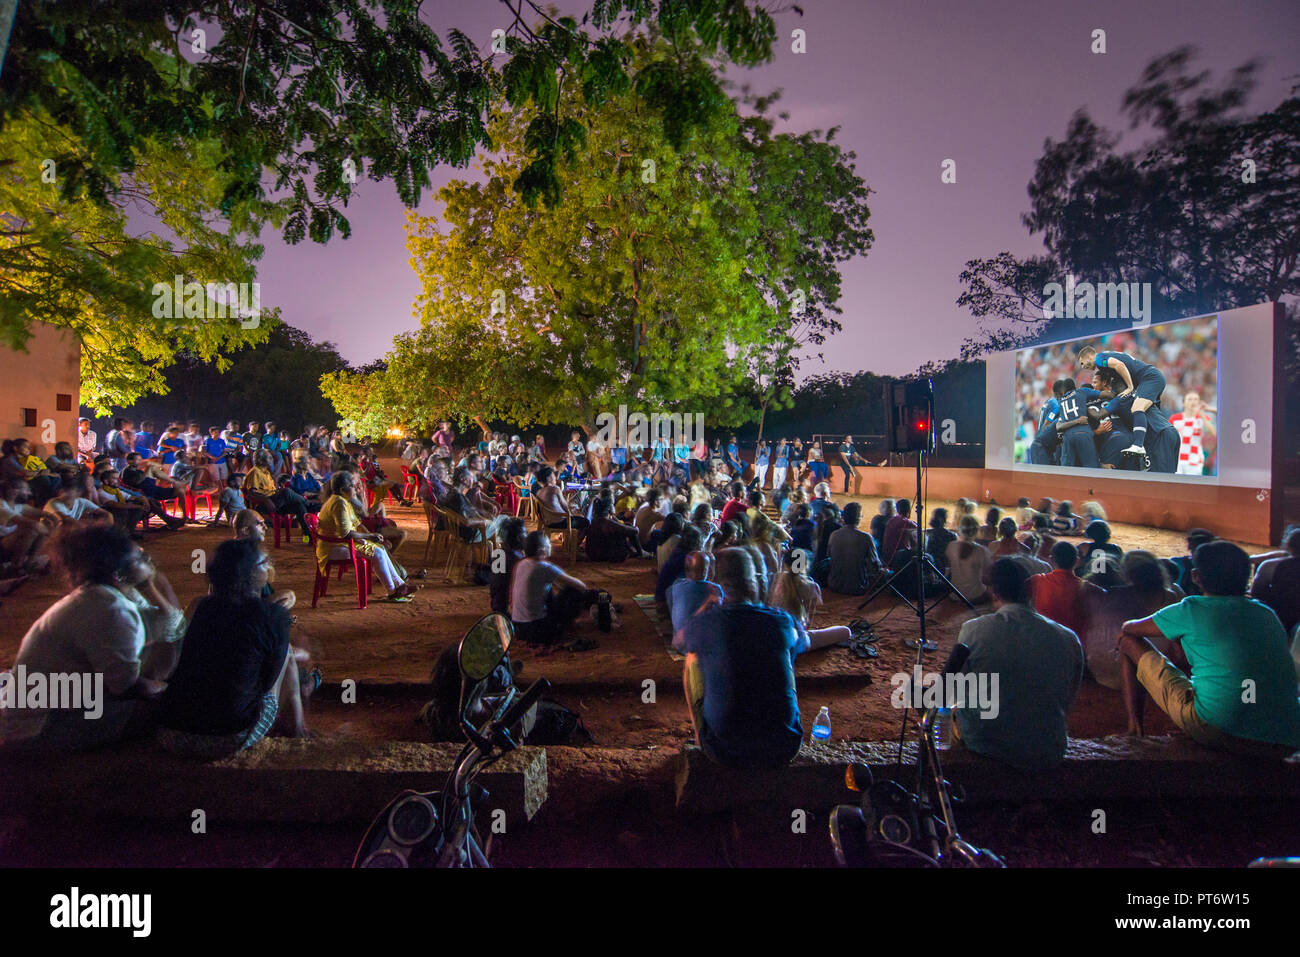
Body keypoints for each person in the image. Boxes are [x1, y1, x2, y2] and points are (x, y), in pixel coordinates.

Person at [2, 525, 183, 750]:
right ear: (118, 571)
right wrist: (166, 691)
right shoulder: (108, 608)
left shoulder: (106, 595)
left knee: (168, 667)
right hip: (44, 725)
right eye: (140, 557)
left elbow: (172, 626)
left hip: (56, 707)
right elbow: (125, 686)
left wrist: (152, 583)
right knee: (175, 705)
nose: (148, 559)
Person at [1118, 540, 1300, 757]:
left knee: (1126, 639)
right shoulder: (1266, 613)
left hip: (1223, 730)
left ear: (1196, 577)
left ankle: (1134, 728)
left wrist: (1175, 634)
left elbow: (1128, 628)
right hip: (1287, 736)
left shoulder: (1191, 608)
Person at [156, 539, 313, 756]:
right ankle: (297, 730)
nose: (269, 566)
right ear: (250, 574)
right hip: (227, 738)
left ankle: (297, 720)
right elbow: (268, 683)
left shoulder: (200, 606)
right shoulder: (273, 616)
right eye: (265, 562)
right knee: (286, 654)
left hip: (170, 732)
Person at [946, 558, 1083, 771]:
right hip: (1048, 746)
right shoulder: (1068, 637)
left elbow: (957, 687)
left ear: (993, 592)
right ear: (1029, 589)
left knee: (952, 713)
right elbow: (1067, 698)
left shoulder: (974, 629)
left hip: (985, 744)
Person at [682, 548, 809, 770]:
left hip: (724, 751)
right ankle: (780, 720)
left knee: (692, 658)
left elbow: (680, 641)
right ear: (754, 580)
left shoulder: (706, 623)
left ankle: (699, 736)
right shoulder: (782, 620)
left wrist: (705, 608)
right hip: (784, 747)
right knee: (786, 651)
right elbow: (805, 642)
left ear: (718, 584)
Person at [1081, 550, 1182, 690]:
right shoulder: (1171, 597)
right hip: (1152, 674)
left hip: (1103, 670)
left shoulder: (1113, 594)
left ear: (1127, 573)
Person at [315, 471, 415, 601]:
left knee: (380, 549)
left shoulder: (343, 501)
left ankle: (400, 586)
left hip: (339, 543)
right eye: (352, 486)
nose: (356, 489)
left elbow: (357, 523)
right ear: (342, 489)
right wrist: (369, 537)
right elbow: (346, 534)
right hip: (333, 548)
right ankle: (392, 591)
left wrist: (371, 536)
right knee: (378, 553)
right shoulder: (339, 503)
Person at [510, 530, 595, 648]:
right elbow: (581, 586)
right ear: (541, 550)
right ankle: (563, 627)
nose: (550, 545)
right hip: (537, 630)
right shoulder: (544, 567)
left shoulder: (521, 564)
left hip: (519, 627)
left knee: (551, 589)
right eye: (548, 544)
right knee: (574, 592)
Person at [1030, 541, 1100, 638]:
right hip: (1075, 646)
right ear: (1076, 561)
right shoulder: (1088, 588)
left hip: (1041, 640)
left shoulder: (1036, 581)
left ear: (1051, 560)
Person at [669, 551, 725, 653]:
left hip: (680, 645)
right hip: (701, 649)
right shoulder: (716, 589)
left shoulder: (676, 585)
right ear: (707, 570)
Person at [0, 478, 56, 576]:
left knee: (45, 525)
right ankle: (16, 567)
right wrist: (58, 537)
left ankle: (30, 563)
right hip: (2, 547)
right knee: (31, 530)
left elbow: (45, 514)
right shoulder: (2, 507)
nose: (29, 493)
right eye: (25, 489)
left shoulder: (17, 505)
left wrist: (53, 518)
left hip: (8, 542)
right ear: (13, 491)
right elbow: (32, 524)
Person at [1250, 527, 1300, 636]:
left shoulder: (1270, 566)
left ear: (1287, 545)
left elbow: (1256, 594)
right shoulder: (1272, 564)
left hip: (1278, 618)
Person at [826, 502, 881, 596]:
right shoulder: (866, 537)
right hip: (858, 587)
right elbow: (875, 564)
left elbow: (829, 555)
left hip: (834, 584)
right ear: (859, 518)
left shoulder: (834, 535)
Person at [585, 496, 647, 562]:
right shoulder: (606, 522)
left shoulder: (596, 520)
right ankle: (640, 552)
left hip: (592, 555)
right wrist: (636, 528)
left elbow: (621, 525)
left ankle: (639, 552)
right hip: (603, 556)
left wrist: (613, 517)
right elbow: (633, 531)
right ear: (609, 509)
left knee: (627, 526)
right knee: (627, 528)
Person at [945, 515, 991, 603]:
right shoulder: (981, 550)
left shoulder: (951, 546)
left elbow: (948, 570)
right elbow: (987, 576)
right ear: (976, 530)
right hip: (975, 596)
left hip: (954, 594)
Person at [488, 518, 527, 616]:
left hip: (499, 609)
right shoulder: (519, 560)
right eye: (525, 533)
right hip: (513, 612)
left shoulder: (498, 554)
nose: (527, 536)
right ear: (518, 537)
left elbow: (495, 587)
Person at [881, 498, 918, 565]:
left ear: (897, 510)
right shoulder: (909, 523)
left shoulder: (891, 520)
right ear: (909, 510)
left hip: (886, 558)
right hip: (898, 559)